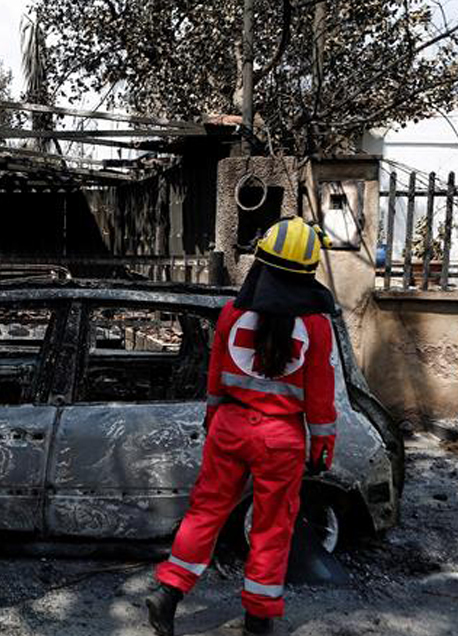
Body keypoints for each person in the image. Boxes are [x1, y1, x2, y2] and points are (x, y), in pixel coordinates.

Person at [146, 217, 338, 636]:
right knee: (272, 525)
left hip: (230, 428)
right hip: (281, 438)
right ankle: (258, 619)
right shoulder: (317, 326)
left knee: (205, 512)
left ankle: (169, 591)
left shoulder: (232, 313)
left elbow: (214, 380)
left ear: (261, 264)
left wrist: (215, 424)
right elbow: (321, 395)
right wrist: (322, 444)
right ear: (308, 273)